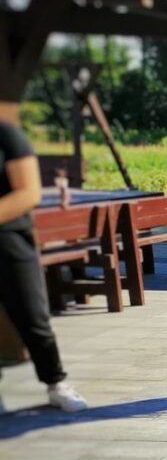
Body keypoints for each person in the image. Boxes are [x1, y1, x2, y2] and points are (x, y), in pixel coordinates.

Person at [0, 118, 87, 413]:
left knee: (31, 315)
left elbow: (28, 192)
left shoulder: (7, 135)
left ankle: (56, 383)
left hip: (9, 240)